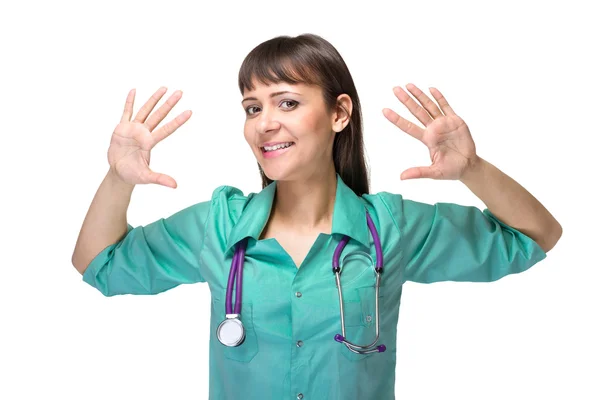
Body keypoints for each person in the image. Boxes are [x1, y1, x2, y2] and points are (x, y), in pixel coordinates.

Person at [71, 33, 562, 400]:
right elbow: (99, 264)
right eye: (251, 107)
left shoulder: (390, 228)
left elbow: (537, 235)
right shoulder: (218, 227)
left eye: (286, 101)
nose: (264, 123)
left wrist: (471, 170)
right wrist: (118, 178)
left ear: (339, 113)